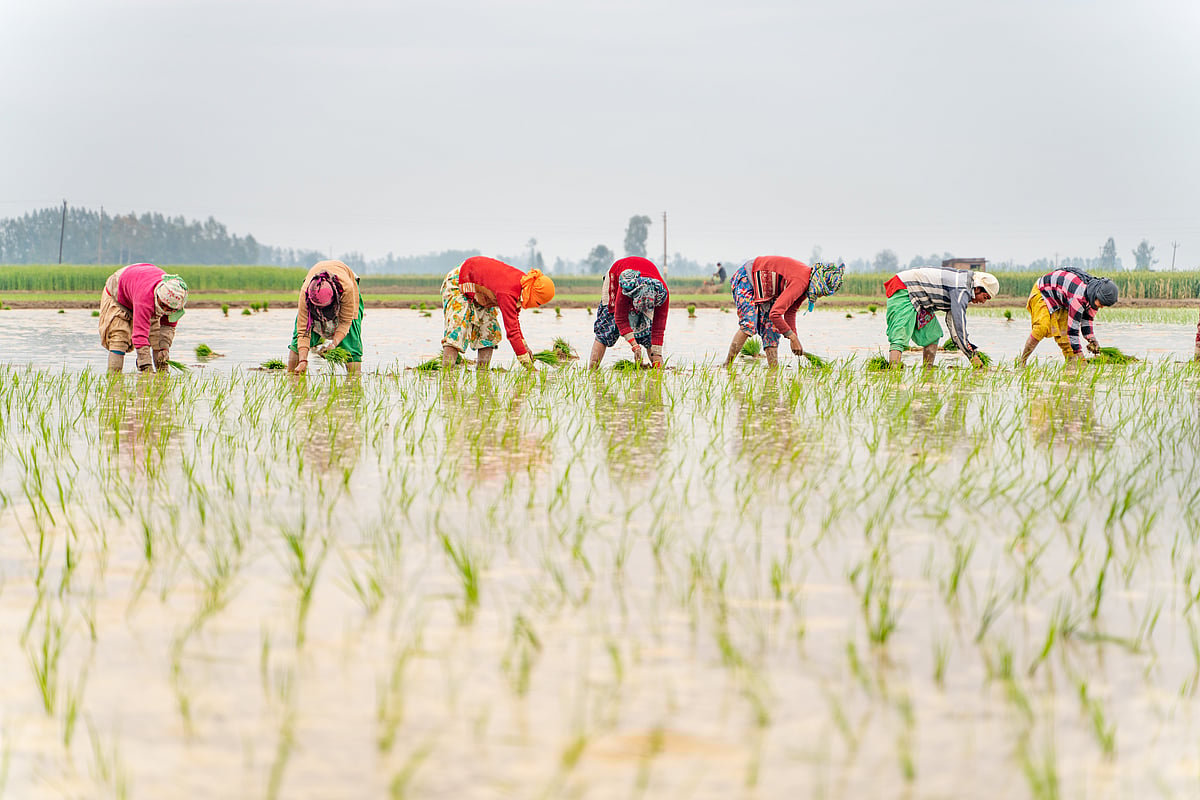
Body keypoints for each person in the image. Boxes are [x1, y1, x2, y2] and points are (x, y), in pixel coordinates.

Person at [724, 256, 845, 367]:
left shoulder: (806, 285)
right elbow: (775, 314)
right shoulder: (801, 281)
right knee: (749, 324)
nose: (821, 296)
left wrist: (795, 337)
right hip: (747, 277)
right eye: (823, 293)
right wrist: (792, 338)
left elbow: (790, 312)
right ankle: (727, 365)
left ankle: (773, 371)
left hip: (767, 290)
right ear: (820, 285)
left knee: (771, 328)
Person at [441, 256, 555, 371]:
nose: (536, 306)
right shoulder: (509, 291)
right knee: (457, 330)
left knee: (489, 332)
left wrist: (524, 346)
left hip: (481, 292)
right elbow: (512, 331)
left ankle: (482, 374)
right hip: (460, 281)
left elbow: (514, 320)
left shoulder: (524, 285)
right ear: (534, 294)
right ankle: (446, 376)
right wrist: (527, 364)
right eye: (538, 302)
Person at [884, 267, 997, 368]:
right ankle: (894, 372)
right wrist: (972, 356)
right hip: (904, 289)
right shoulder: (961, 290)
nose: (983, 301)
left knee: (933, 335)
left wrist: (970, 350)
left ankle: (927, 370)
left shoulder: (963, 288)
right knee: (899, 335)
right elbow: (959, 327)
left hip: (922, 302)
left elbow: (954, 327)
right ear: (978, 288)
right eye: (985, 297)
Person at [1017, 267, 1118, 366]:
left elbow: (1087, 320)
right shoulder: (1079, 297)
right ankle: (1022, 361)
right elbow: (1073, 331)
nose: (1102, 306)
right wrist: (1081, 356)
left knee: (1066, 340)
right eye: (1102, 303)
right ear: (1097, 295)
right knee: (1041, 327)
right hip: (1043, 291)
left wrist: (1091, 339)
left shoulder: (1093, 299)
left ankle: (1071, 367)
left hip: (1061, 299)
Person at [98, 263, 188, 373]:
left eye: (169, 309)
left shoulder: (176, 302)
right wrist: (146, 366)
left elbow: (167, 328)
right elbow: (140, 334)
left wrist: (164, 349)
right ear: (158, 296)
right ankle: (114, 377)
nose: (164, 309)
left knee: (157, 341)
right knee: (119, 339)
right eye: (163, 305)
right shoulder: (146, 300)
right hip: (119, 296)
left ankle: (163, 376)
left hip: (140, 285)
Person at [589, 256, 669, 369]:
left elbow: (658, 330)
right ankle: (592, 371)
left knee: (649, 334)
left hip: (645, 288)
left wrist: (658, 364)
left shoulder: (662, 294)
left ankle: (658, 370)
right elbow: (620, 318)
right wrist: (634, 345)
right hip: (617, 276)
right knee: (606, 328)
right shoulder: (627, 285)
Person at [288, 260, 364, 375]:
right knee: (298, 339)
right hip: (312, 287)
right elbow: (303, 329)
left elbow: (345, 322)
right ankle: (292, 374)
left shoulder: (346, 288)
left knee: (351, 338)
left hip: (346, 281)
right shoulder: (306, 293)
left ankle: (354, 379)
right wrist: (303, 360)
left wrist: (333, 344)